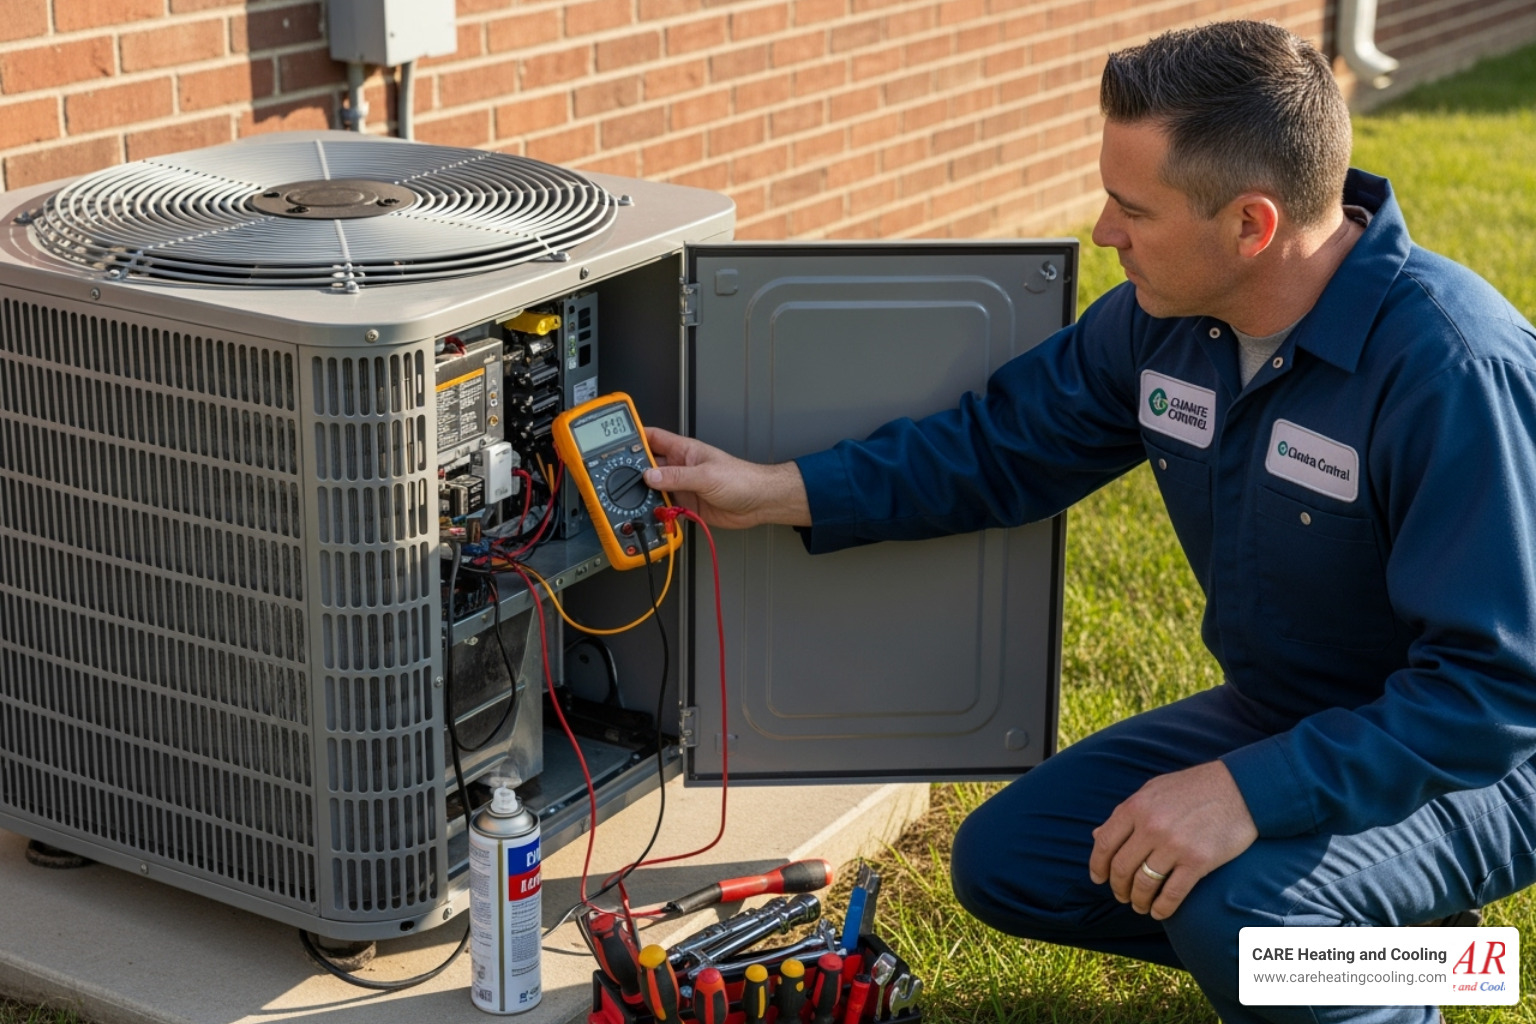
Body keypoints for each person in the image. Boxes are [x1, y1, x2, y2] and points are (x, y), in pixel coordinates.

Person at [643, 20, 1536, 1024]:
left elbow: (1492, 692)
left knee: (1234, 905)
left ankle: (1379, 977)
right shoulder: (1168, 324)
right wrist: (779, 489)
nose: (1105, 232)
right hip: (1292, 706)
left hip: (1488, 760)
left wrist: (1248, 796)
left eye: (1131, 207)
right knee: (1013, 861)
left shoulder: (1452, 369)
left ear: (1250, 225)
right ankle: (1402, 947)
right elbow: (1001, 446)